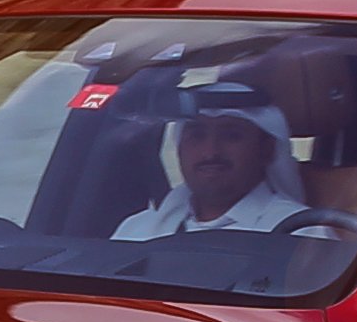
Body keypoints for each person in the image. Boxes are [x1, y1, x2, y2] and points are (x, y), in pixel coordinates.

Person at [111, 81, 310, 240]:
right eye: (197, 136)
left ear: (266, 149)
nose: (210, 153)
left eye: (231, 136)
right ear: (180, 148)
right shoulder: (138, 229)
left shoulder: (298, 234)